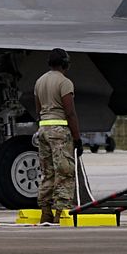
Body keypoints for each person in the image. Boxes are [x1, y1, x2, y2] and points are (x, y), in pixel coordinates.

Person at [32, 48, 80, 224]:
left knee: (48, 172)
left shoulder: (39, 82)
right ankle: (61, 213)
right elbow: (70, 112)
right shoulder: (65, 82)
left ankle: (45, 212)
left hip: (43, 130)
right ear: (65, 63)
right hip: (59, 130)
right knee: (65, 171)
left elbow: (38, 110)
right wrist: (77, 137)